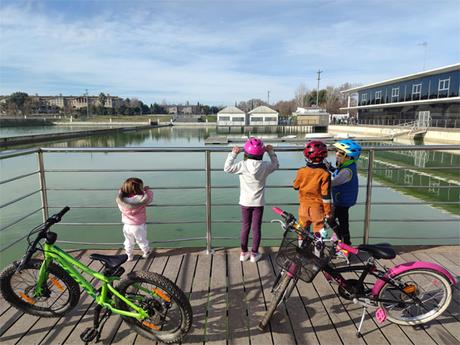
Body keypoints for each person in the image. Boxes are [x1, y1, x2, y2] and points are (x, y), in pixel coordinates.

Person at [224, 137, 279, 263]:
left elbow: (227, 168)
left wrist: (233, 154)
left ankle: (243, 253)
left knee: (245, 226)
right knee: (256, 228)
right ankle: (254, 254)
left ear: (246, 153)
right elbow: (276, 165)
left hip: (244, 202)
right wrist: (271, 152)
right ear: (262, 153)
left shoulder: (242, 165)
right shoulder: (265, 166)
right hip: (258, 203)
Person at [293, 141, 332, 239]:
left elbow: (295, 186)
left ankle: (301, 250)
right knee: (319, 232)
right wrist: (328, 212)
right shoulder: (325, 174)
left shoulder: (301, 171)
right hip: (317, 208)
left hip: (303, 207)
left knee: (301, 230)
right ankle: (317, 253)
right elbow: (326, 195)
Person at [326, 139, 361, 245]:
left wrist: (319, 179)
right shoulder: (347, 166)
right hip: (342, 200)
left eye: (341, 153)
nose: (337, 154)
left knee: (330, 218)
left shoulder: (346, 171)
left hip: (341, 201)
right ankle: (343, 240)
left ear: (349, 157)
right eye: (337, 151)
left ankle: (343, 240)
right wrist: (330, 168)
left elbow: (333, 182)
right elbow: (337, 173)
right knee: (342, 222)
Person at [116, 177, 153, 261]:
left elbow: (119, 195)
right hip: (138, 225)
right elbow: (150, 199)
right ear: (139, 189)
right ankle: (146, 252)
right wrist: (147, 191)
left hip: (127, 225)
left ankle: (129, 256)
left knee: (128, 241)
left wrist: (121, 191)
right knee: (141, 240)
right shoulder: (142, 198)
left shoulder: (121, 200)